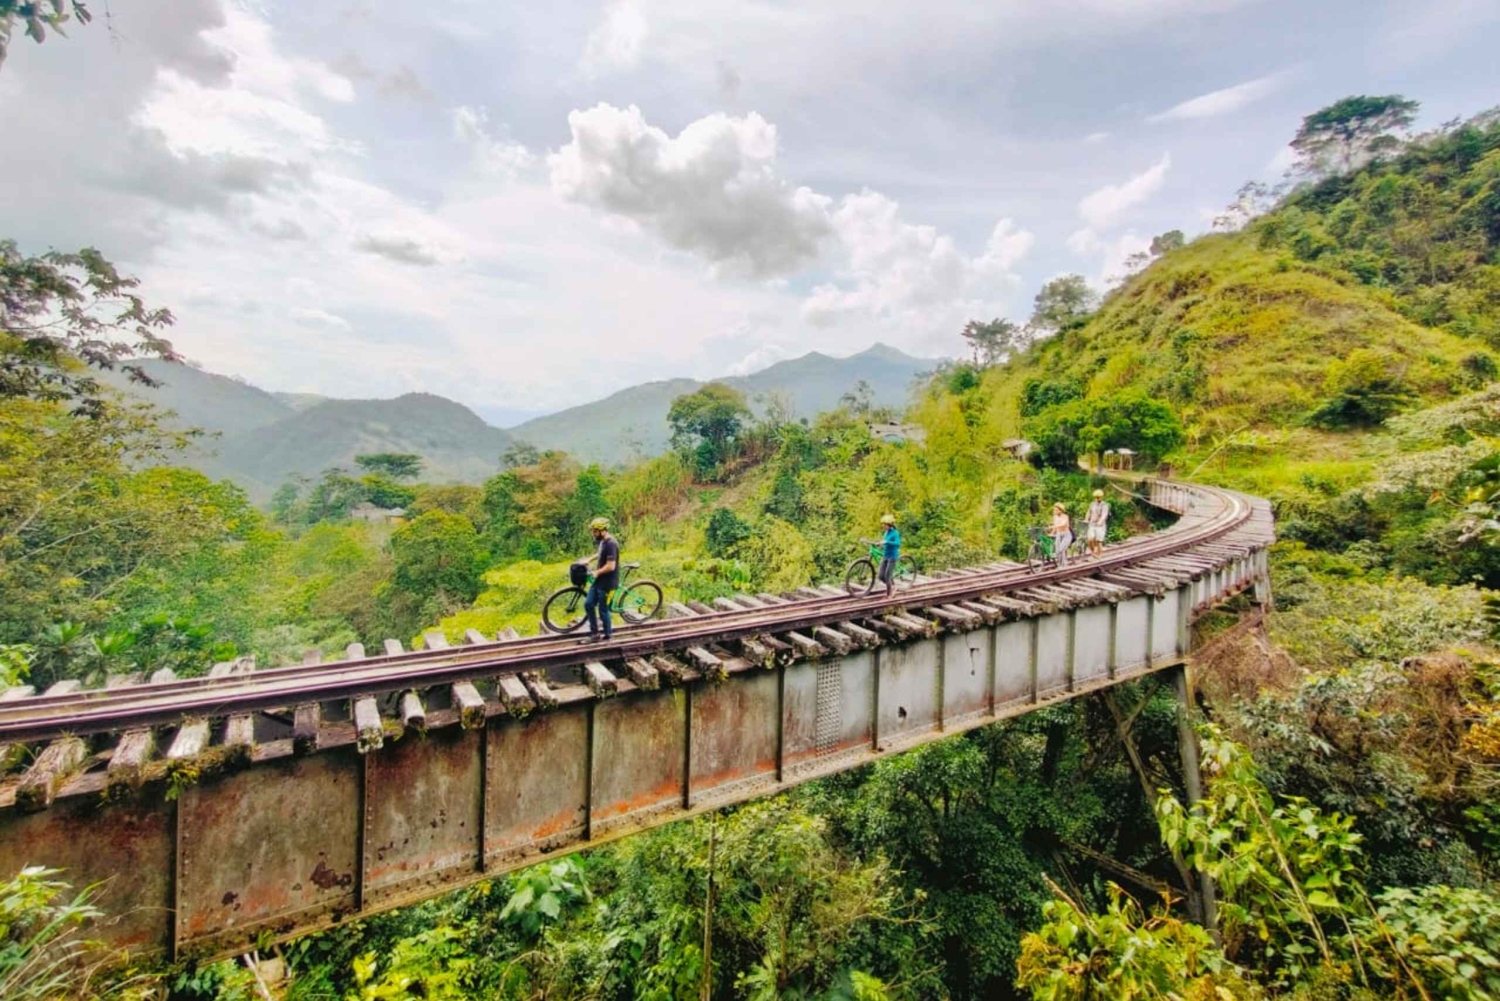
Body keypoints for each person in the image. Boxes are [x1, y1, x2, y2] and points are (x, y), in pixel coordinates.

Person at [578, 516, 619, 643]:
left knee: (603, 610)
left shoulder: (612, 544)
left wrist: (597, 572)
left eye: (595, 531)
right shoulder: (603, 542)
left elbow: (611, 566)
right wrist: (589, 559)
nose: (593, 533)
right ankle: (595, 634)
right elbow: (600, 553)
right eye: (593, 531)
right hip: (599, 581)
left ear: (603, 531)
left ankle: (608, 636)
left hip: (608, 583)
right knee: (588, 604)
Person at [877, 513, 901, 597]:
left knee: (887, 576)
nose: (883, 526)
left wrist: (888, 542)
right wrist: (879, 544)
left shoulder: (895, 533)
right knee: (880, 576)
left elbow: (897, 543)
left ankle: (889, 595)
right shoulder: (886, 533)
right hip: (885, 555)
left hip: (892, 557)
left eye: (885, 524)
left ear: (889, 525)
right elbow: (884, 542)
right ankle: (893, 586)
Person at [1084, 489, 1110, 558]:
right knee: (1090, 539)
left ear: (1101, 497)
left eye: (1098, 497)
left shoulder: (1104, 505)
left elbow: (1104, 515)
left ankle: (1099, 554)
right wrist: (1086, 519)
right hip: (1092, 524)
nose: (1097, 499)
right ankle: (1093, 552)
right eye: (1095, 497)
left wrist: (1100, 522)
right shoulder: (1092, 504)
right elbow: (1089, 512)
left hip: (1100, 526)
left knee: (1099, 541)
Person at [1050, 502, 1073, 567]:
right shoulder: (1055, 517)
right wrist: (1052, 533)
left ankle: (1064, 565)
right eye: (1054, 510)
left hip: (1066, 535)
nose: (1055, 511)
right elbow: (1055, 526)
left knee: (1061, 549)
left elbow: (1063, 524)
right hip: (1059, 534)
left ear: (1061, 510)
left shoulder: (1065, 517)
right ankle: (1061, 564)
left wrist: (1054, 526)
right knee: (1057, 551)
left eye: (1057, 510)